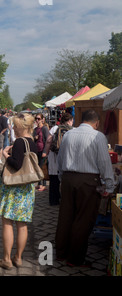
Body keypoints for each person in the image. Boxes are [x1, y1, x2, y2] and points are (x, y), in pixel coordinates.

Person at [56, 109, 115, 267]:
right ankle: (75, 258)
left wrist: (62, 178)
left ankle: (61, 253)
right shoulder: (98, 136)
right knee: (83, 220)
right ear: (96, 123)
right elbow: (104, 162)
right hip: (87, 182)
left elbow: (60, 159)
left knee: (66, 216)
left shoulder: (69, 134)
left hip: (68, 179)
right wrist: (109, 186)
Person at [0, 113, 38, 270]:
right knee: (22, 224)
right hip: (27, 188)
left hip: (14, 188)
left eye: (15, 126)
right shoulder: (32, 142)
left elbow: (16, 164)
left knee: (7, 222)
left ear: (20, 127)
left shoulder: (19, 142)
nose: (13, 129)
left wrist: (5, 155)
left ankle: (6, 259)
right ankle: (18, 257)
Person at [43, 113, 74, 206]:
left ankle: (54, 200)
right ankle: (66, 200)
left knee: (54, 180)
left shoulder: (54, 129)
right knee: (66, 180)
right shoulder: (73, 130)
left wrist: (46, 152)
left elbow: (49, 141)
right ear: (69, 121)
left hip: (54, 156)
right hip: (67, 156)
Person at [33, 113, 49, 191]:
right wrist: (35, 138)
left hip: (42, 150)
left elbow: (48, 141)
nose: (37, 120)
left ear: (42, 119)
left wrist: (45, 151)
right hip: (37, 150)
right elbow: (33, 139)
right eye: (36, 118)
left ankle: (44, 184)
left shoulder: (45, 128)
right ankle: (39, 184)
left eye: (38, 119)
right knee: (38, 167)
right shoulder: (35, 129)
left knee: (43, 167)